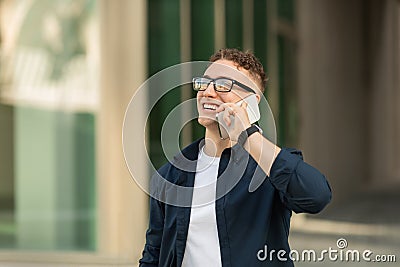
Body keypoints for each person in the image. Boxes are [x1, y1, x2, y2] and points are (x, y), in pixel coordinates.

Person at [139, 48, 332, 267]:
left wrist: (248, 135)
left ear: (252, 101)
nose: (208, 92)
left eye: (223, 85)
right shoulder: (171, 175)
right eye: (204, 83)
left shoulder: (271, 166)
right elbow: (153, 255)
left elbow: (317, 196)